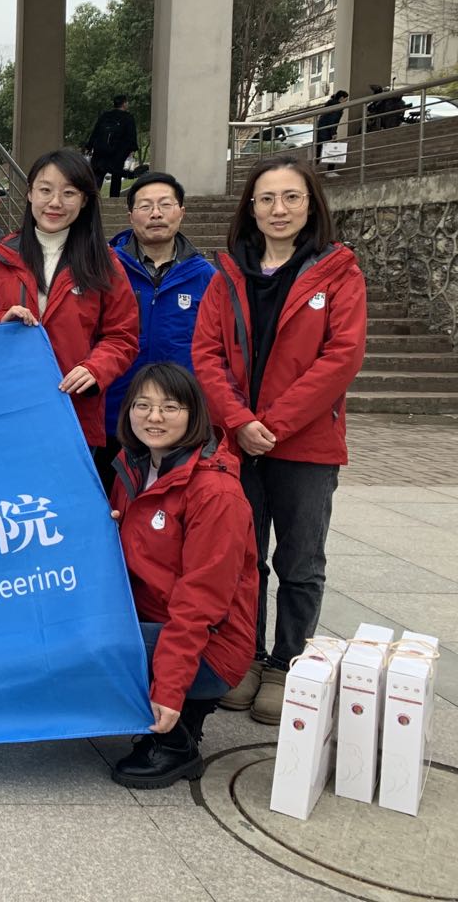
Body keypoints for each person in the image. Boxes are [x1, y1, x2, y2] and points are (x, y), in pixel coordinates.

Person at [192, 156, 366, 724]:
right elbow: (206, 355)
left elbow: (341, 358)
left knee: (300, 560)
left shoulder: (338, 272)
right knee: (244, 558)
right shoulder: (227, 275)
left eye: (292, 197)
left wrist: (274, 423)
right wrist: (239, 421)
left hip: (306, 445)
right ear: (251, 208)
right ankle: (244, 655)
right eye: (266, 198)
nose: (279, 209)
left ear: (311, 205)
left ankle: (289, 663)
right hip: (238, 442)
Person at [108, 363, 258, 788]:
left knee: (95, 641)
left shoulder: (216, 493)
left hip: (211, 644)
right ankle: (180, 715)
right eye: (143, 405)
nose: (154, 417)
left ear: (194, 414)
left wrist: (170, 689)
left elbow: (200, 603)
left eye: (170, 407)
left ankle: (176, 741)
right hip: (154, 620)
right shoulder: (134, 467)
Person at [0, 149, 139, 464]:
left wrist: (95, 369)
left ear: (84, 200)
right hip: (4, 408)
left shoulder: (105, 264)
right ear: (30, 194)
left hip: (73, 410)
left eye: (68, 193)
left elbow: (122, 335)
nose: (55, 202)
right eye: (45, 190)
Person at [100, 172, 216, 492]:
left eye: (165, 205)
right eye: (145, 206)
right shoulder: (104, 270)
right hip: (113, 418)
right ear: (130, 216)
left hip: (178, 422)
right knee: (111, 508)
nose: (156, 213)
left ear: (181, 212)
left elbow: (215, 350)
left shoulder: (206, 277)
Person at [85, 95, 140, 198]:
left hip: (101, 151)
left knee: (98, 175)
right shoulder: (128, 118)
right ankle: (114, 199)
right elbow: (131, 135)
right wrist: (132, 149)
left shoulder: (105, 116)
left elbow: (95, 131)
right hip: (118, 152)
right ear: (124, 104)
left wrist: (89, 146)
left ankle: (92, 198)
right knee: (116, 176)